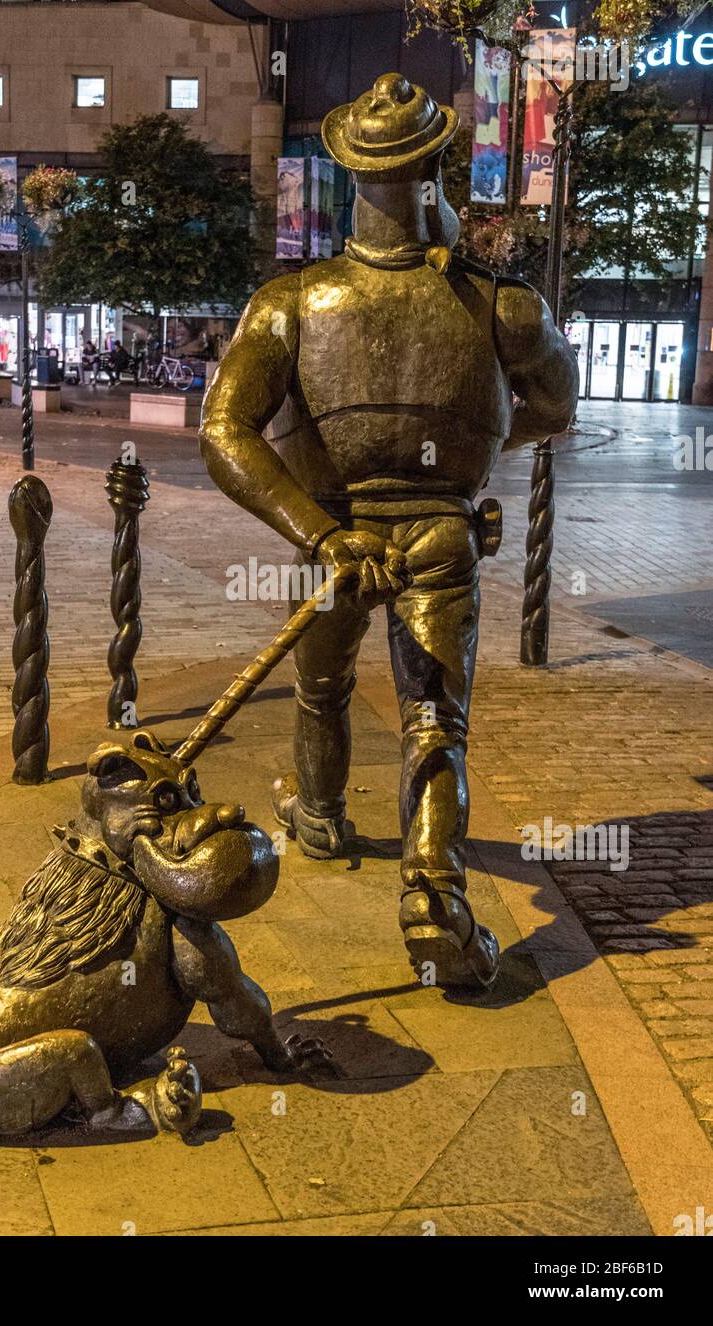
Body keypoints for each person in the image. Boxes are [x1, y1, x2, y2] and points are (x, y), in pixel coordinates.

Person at [200, 73, 578, 991]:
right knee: (433, 721)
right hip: (438, 537)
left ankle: (323, 816)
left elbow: (223, 429)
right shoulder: (503, 304)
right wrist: (460, 477)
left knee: (321, 690)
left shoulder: (292, 300)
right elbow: (554, 408)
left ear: (347, 172)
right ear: (434, 171)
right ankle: (432, 897)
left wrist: (322, 535)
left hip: (332, 531)